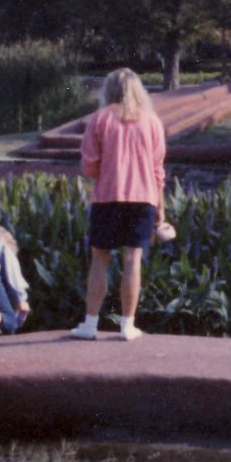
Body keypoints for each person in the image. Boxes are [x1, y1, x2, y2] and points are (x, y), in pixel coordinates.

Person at [69, 68, 166, 341]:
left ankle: (90, 324)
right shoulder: (152, 122)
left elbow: (88, 165)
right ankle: (127, 325)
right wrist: (161, 209)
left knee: (99, 261)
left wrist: (109, 170)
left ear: (108, 90)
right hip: (144, 198)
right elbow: (158, 170)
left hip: (107, 197)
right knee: (133, 261)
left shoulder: (99, 119)